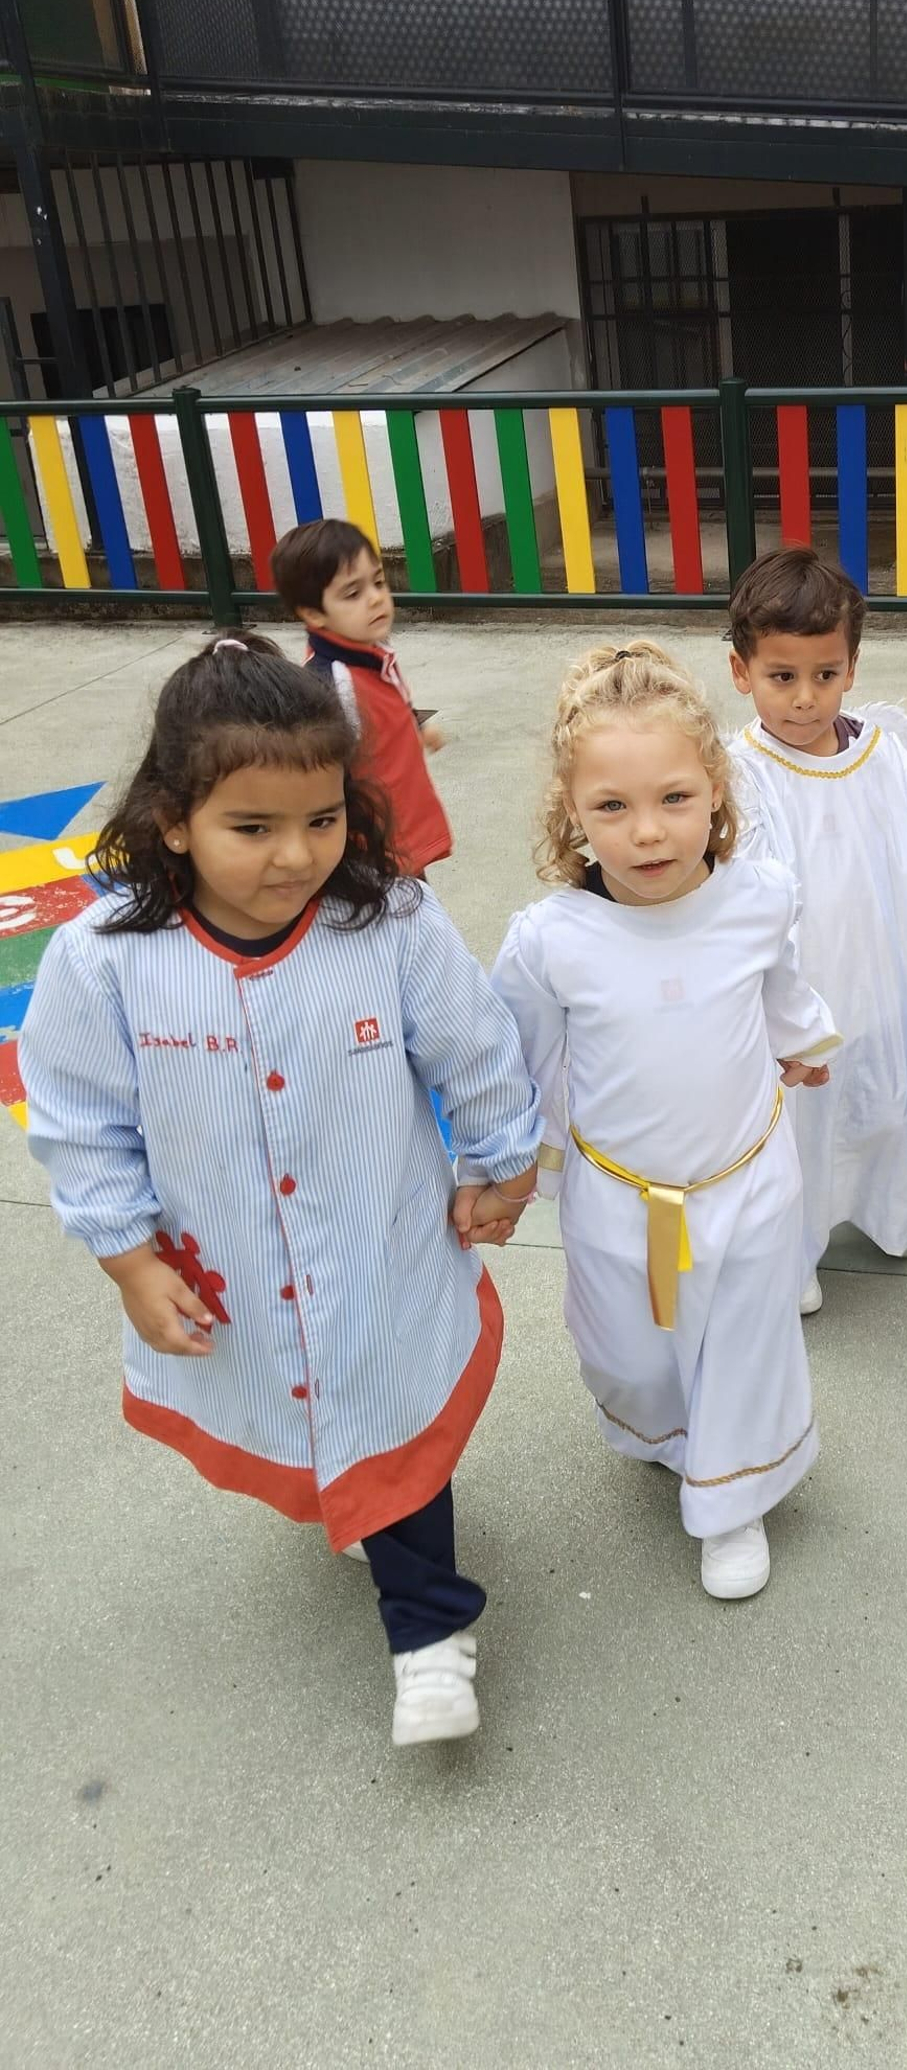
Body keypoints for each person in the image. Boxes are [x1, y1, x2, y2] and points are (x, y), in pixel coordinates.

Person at [20, 634, 542, 1747]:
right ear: (173, 821)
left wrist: (502, 1162)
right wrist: (128, 1257)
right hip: (238, 1272)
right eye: (250, 829)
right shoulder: (105, 958)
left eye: (322, 819)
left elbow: (476, 1048)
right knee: (307, 1415)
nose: (295, 855)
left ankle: (431, 1630)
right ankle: (350, 1503)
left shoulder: (389, 924)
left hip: (379, 1248)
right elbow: (78, 1122)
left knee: (391, 1418)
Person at [489, 642, 839, 1601]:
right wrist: (504, 1163)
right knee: (633, 1354)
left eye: (675, 799)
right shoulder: (551, 939)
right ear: (572, 809)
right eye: (612, 807)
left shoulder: (758, 898)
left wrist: (803, 1040)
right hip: (619, 1195)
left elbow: (781, 990)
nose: (648, 832)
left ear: (717, 789)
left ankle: (731, 1499)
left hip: (746, 1177)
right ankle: (666, 1428)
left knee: (741, 1342)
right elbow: (512, 1059)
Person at [726, 547, 907, 1316]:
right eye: (781, 677)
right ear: (742, 672)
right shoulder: (740, 769)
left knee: (887, 1085)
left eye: (824, 674)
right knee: (800, 1109)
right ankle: (792, 1253)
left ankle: (891, 1209)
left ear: (852, 666)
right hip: (796, 967)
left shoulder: (884, 751)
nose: (803, 698)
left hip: (879, 955)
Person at [271, 518, 451, 877]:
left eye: (379, 582)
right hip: (372, 847)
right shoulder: (331, 684)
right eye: (353, 594)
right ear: (312, 613)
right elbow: (322, 767)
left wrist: (413, 724)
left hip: (400, 821)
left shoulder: (370, 650)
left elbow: (386, 700)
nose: (375, 599)